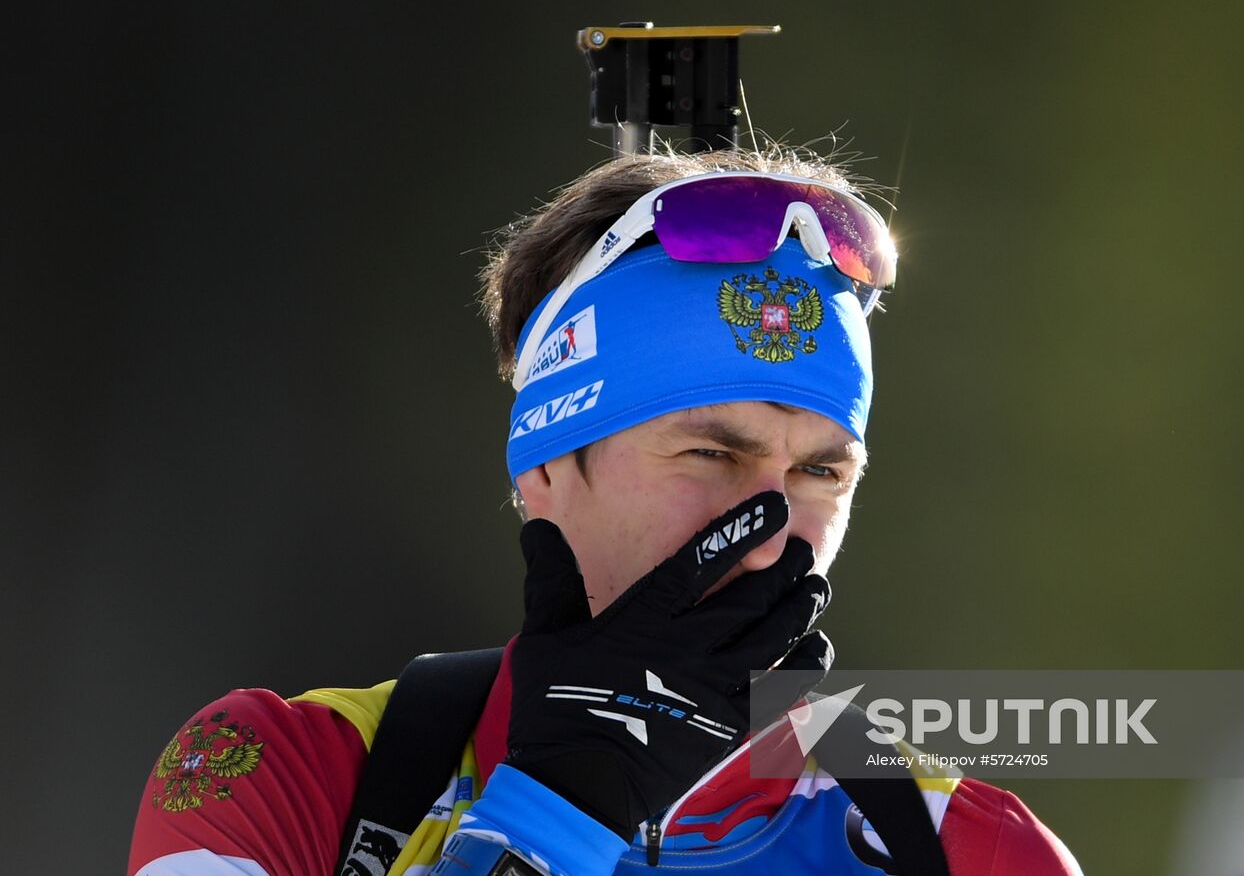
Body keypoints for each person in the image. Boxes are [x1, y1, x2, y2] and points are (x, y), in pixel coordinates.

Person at [128, 146, 1083, 876]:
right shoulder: (286, 772)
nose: (767, 535)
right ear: (546, 464)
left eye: (820, 473)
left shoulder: (969, 850)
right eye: (712, 454)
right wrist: (560, 805)